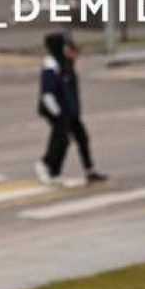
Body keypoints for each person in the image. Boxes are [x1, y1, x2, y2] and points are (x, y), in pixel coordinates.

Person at [36, 30, 107, 185]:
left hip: (69, 110)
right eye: (64, 45)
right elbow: (47, 93)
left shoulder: (65, 62)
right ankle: (47, 165)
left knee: (81, 137)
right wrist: (58, 113)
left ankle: (89, 171)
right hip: (56, 110)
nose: (67, 48)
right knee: (61, 139)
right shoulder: (51, 64)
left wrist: (73, 110)